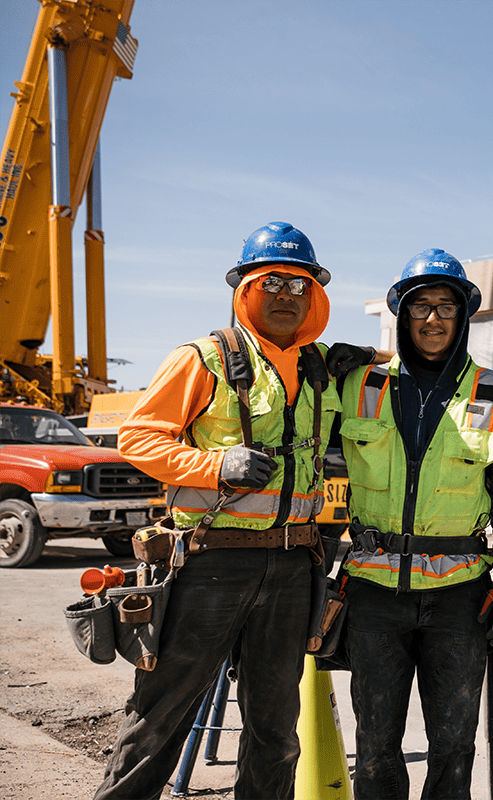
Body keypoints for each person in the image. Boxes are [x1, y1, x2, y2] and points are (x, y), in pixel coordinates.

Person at [98, 221, 338, 799]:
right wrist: (217, 466)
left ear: (314, 296)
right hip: (209, 564)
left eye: (298, 285)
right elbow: (138, 438)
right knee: (161, 717)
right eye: (272, 282)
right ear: (246, 290)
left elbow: (418, 369)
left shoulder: (323, 366)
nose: (286, 295)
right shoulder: (202, 358)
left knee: (276, 731)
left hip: (291, 568)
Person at [323, 248, 493, 800]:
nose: (434, 318)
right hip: (373, 595)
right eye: (421, 306)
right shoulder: (358, 384)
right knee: (374, 750)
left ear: (464, 317)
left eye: (447, 306)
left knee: (453, 747)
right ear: (402, 314)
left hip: (460, 598)